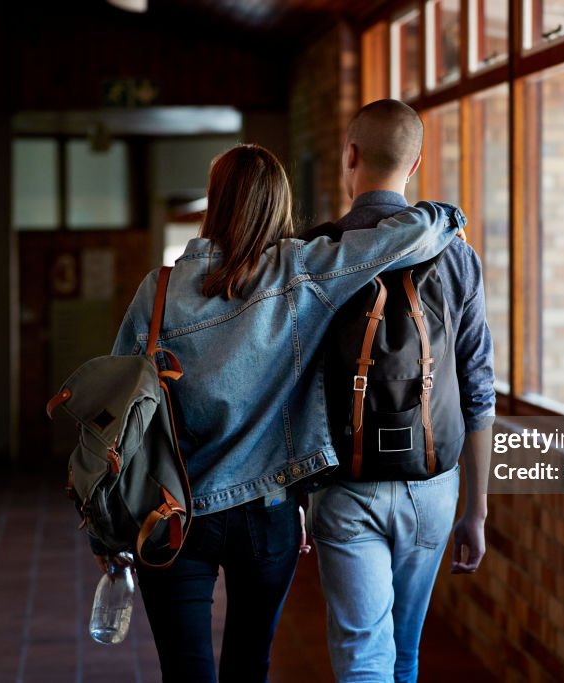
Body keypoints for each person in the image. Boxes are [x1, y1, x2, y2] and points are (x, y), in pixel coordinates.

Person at [99, 143, 465, 683]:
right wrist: (447, 214)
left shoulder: (158, 292)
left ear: (214, 202)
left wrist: (107, 533)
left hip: (172, 510)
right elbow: (400, 240)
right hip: (266, 511)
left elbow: (119, 413)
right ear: (278, 204)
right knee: (250, 663)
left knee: (184, 671)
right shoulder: (300, 273)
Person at [306, 100, 495, 682]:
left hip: (343, 484)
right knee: (405, 653)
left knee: (365, 655)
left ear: (350, 156)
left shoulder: (315, 254)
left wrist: (291, 493)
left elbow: (293, 384)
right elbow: (479, 388)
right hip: (433, 484)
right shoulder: (457, 255)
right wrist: (477, 510)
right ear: (414, 166)